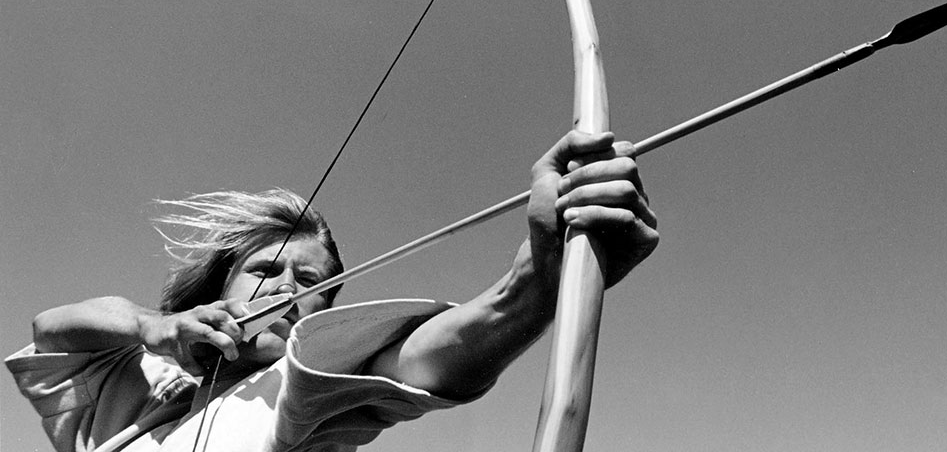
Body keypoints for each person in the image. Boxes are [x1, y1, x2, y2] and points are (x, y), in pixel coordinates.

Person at [6, 131, 659, 452]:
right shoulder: (145, 383)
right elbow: (53, 329)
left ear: (324, 312)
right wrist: (153, 326)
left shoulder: (306, 384)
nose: (288, 287)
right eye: (267, 270)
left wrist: (541, 278)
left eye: (313, 283)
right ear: (220, 286)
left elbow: (420, 358)